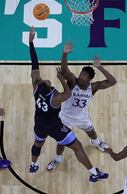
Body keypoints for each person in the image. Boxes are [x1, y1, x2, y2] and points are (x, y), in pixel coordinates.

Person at [28, 26, 108, 182]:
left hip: (39, 124)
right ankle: (93, 173)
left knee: (38, 144)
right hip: (55, 125)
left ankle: (32, 164)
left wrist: (31, 43)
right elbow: (69, 93)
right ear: (47, 84)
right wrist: (61, 80)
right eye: (48, 80)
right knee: (77, 146)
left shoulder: (36, 86)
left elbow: (34, 64)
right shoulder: (55, 97)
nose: (47, 79)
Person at [47, 42, 117, 171]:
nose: (81, 76)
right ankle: (58, 158)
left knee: (91, 131)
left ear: (89, 79)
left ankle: (96, 143)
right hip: (65, 118)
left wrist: (100, 67)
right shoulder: (73, 82)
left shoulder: (93, 87)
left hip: (82, 117)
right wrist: (64, 54)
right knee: (61, 141)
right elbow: (64, 70)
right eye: (81, 74)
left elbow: (113, 82)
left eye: (85, 75)